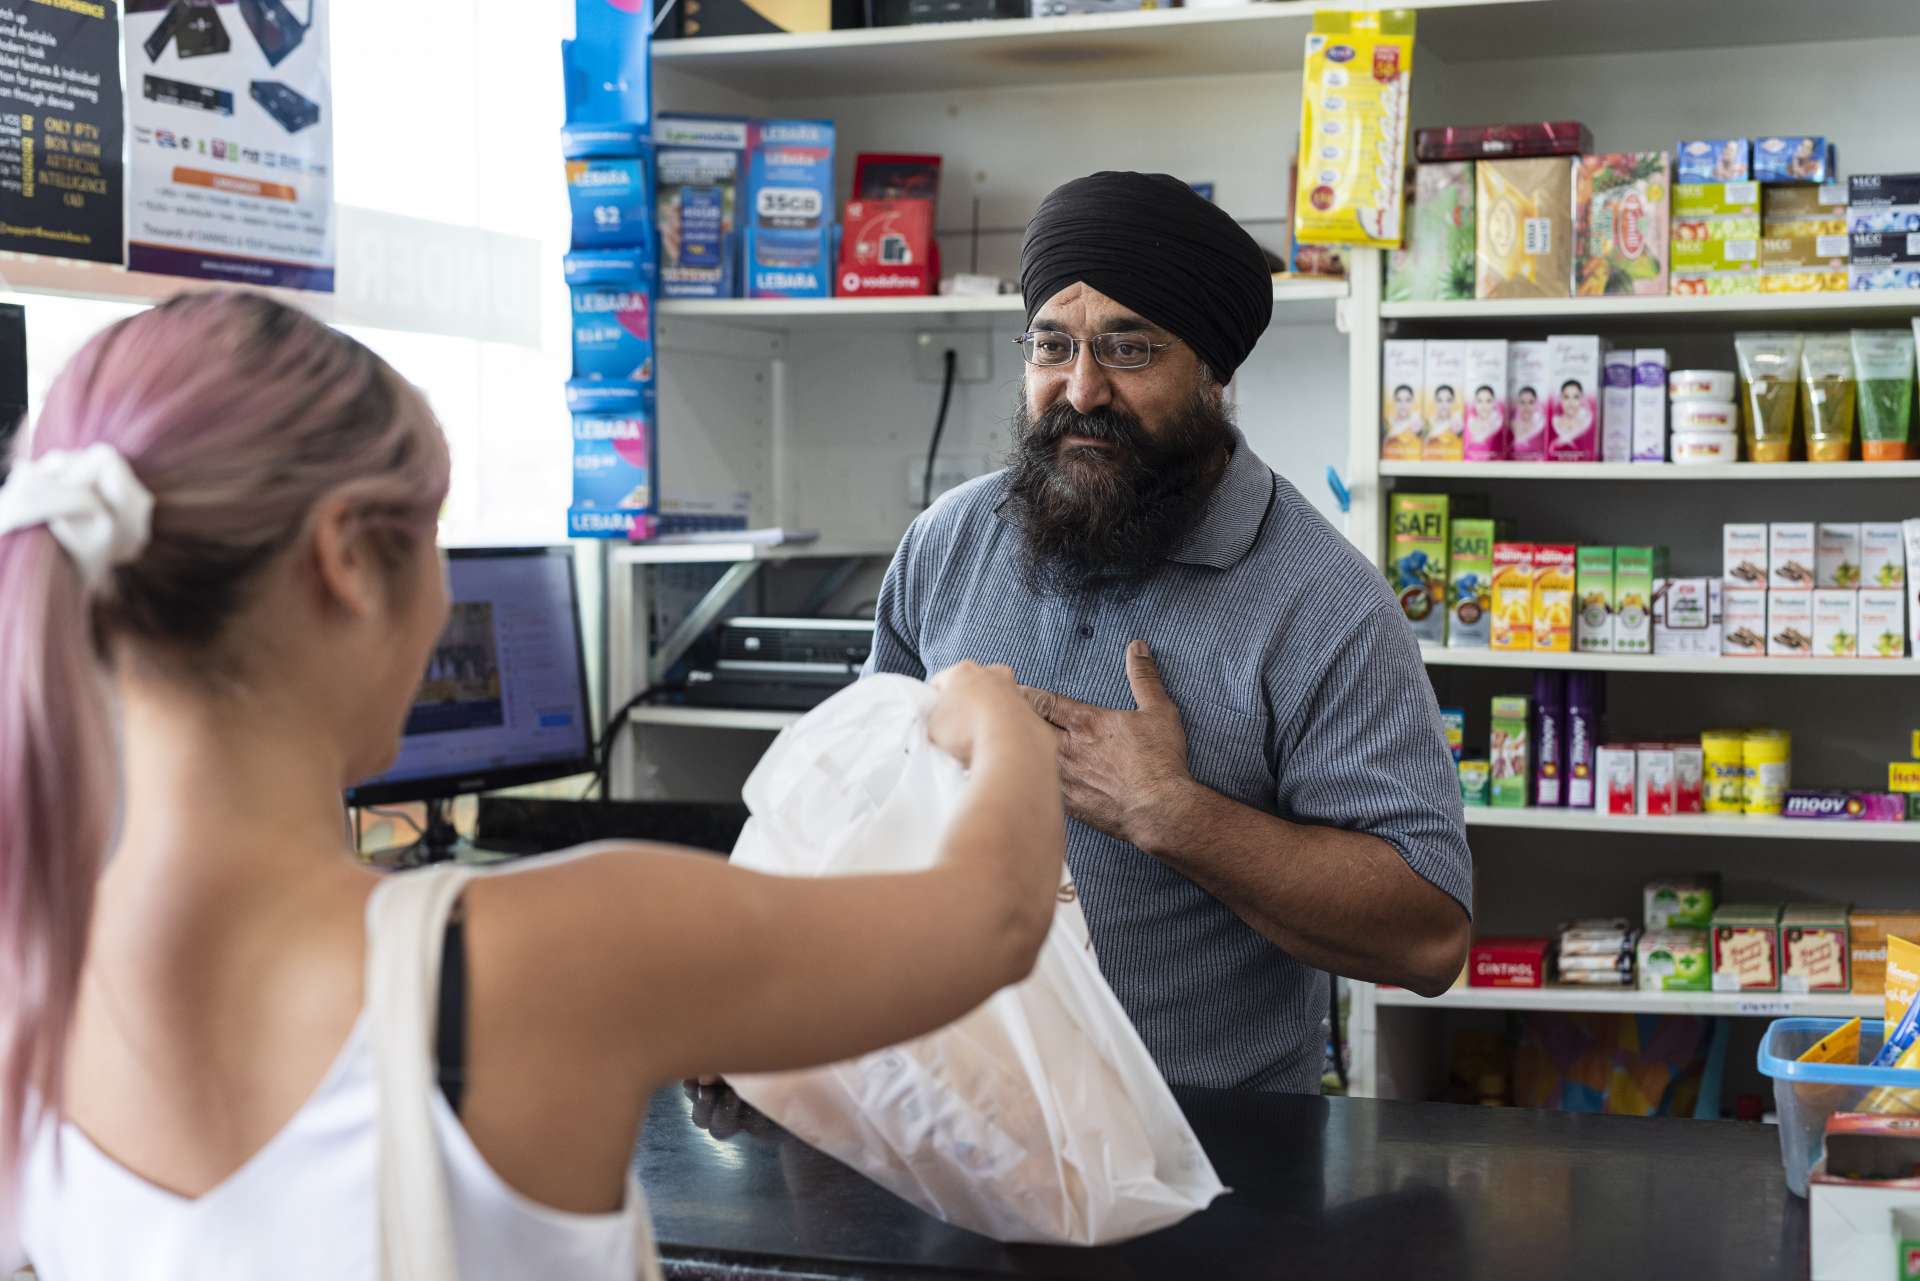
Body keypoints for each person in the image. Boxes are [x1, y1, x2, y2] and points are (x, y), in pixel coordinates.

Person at [0, 292, 1065, 1277]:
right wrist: (999, 723)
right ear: (348, 562)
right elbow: (994, 918)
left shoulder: (31, 975)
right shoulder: (548, 950)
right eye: (433, 541)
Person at [865, 172, 1472, 1094]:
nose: (1081, 388)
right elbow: (857, 818)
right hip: (944, 1120)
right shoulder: (948, 543)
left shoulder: (1323, 601)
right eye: (1051, 345)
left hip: (1211, 1163)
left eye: (1129, 348)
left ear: (1215, 375)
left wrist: (1172, 814)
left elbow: (1430, 935)